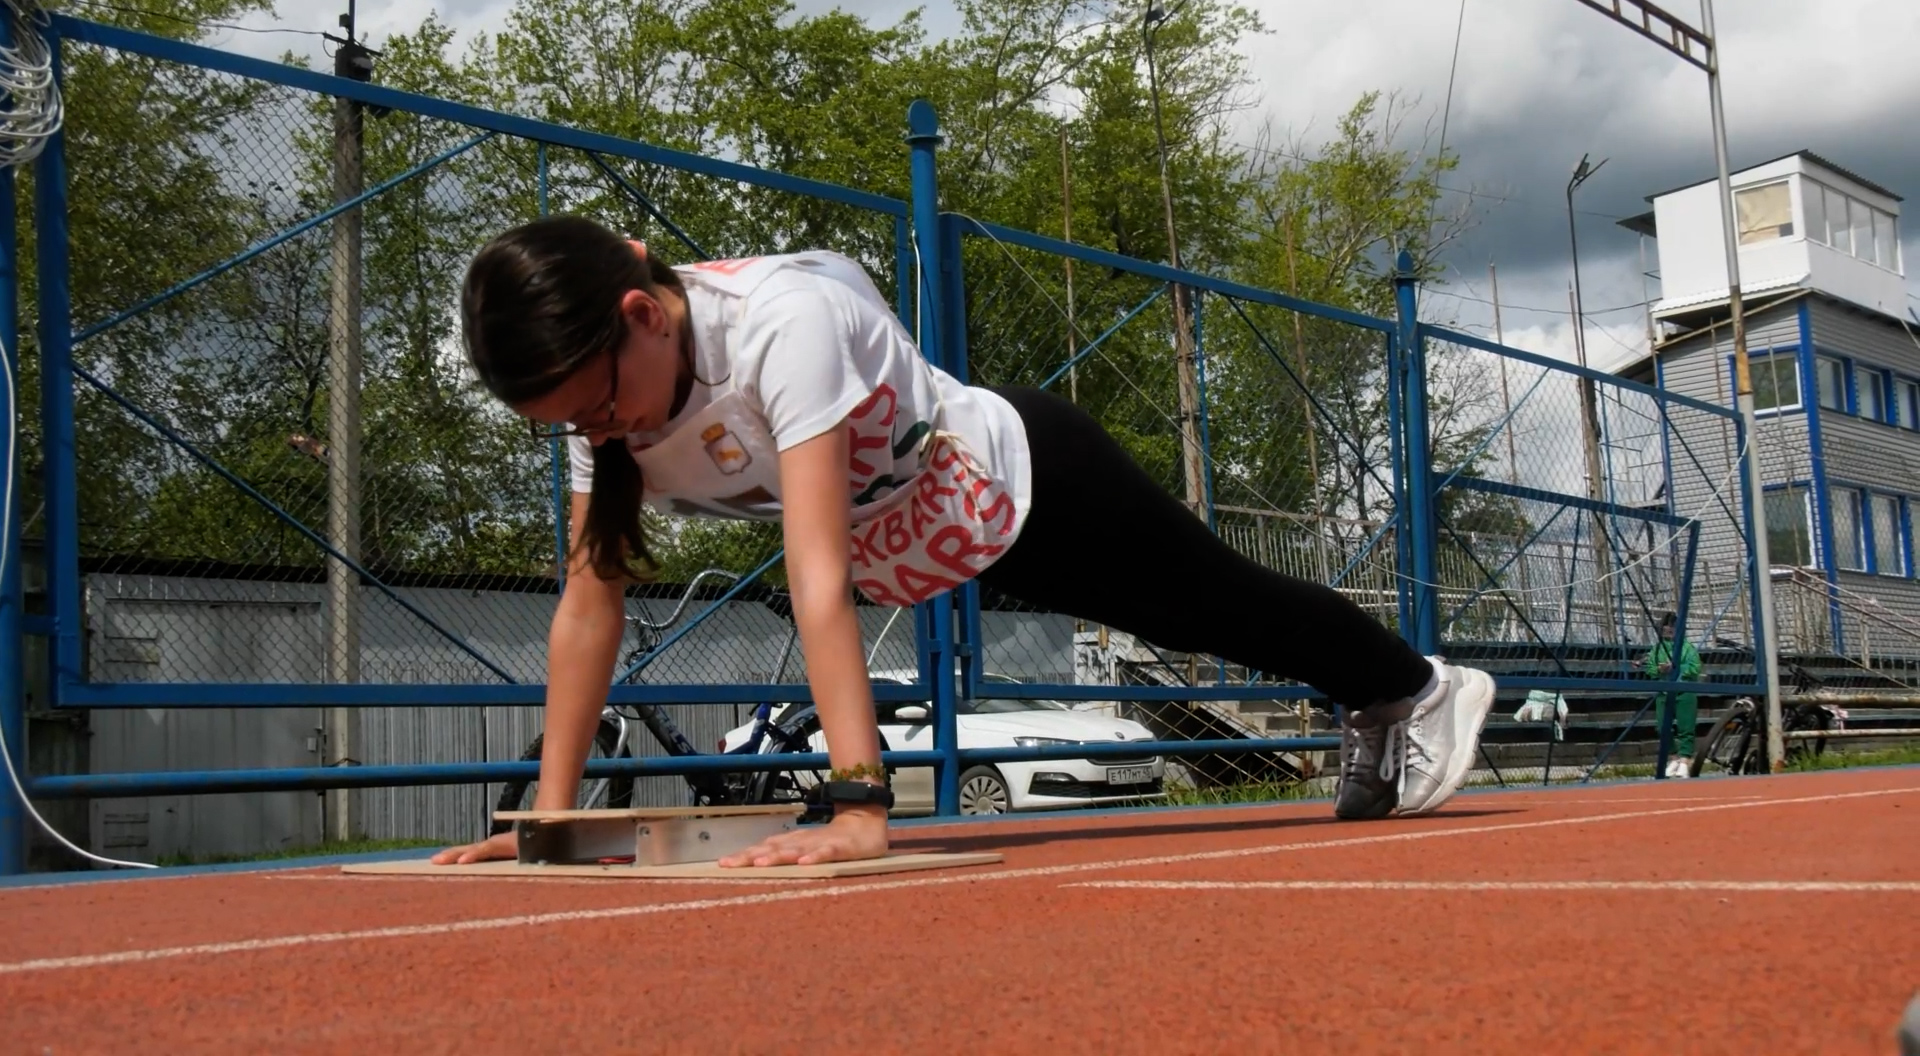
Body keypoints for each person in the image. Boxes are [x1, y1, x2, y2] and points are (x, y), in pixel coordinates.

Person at [430, 214, 1497, 869]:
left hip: (1024, 482)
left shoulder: (777, 329)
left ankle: (1410, 686)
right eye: (571, 425)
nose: (599, 434)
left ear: (643, 315)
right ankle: (1386, 690)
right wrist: (549, 826)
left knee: (1216, 608)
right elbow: (587, 606)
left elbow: (816, 573)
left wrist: (860, 802)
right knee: (1211, 614)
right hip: (924, 545)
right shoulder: (601, 413)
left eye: (601, 408)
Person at [1633, 612, 1702, 777]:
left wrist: (1677, 668)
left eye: (1671, 629)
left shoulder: (1687, 647)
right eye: (1665, 629)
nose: (1668, 632)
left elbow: (1695, 668)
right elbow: (1650, 668)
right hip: (1664, 691)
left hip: (1684, 690)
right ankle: (1673, 757)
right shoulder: (1657, 649)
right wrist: (1659, 670)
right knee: (1662, 726)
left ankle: (1685, 760)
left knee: (1686, 726)